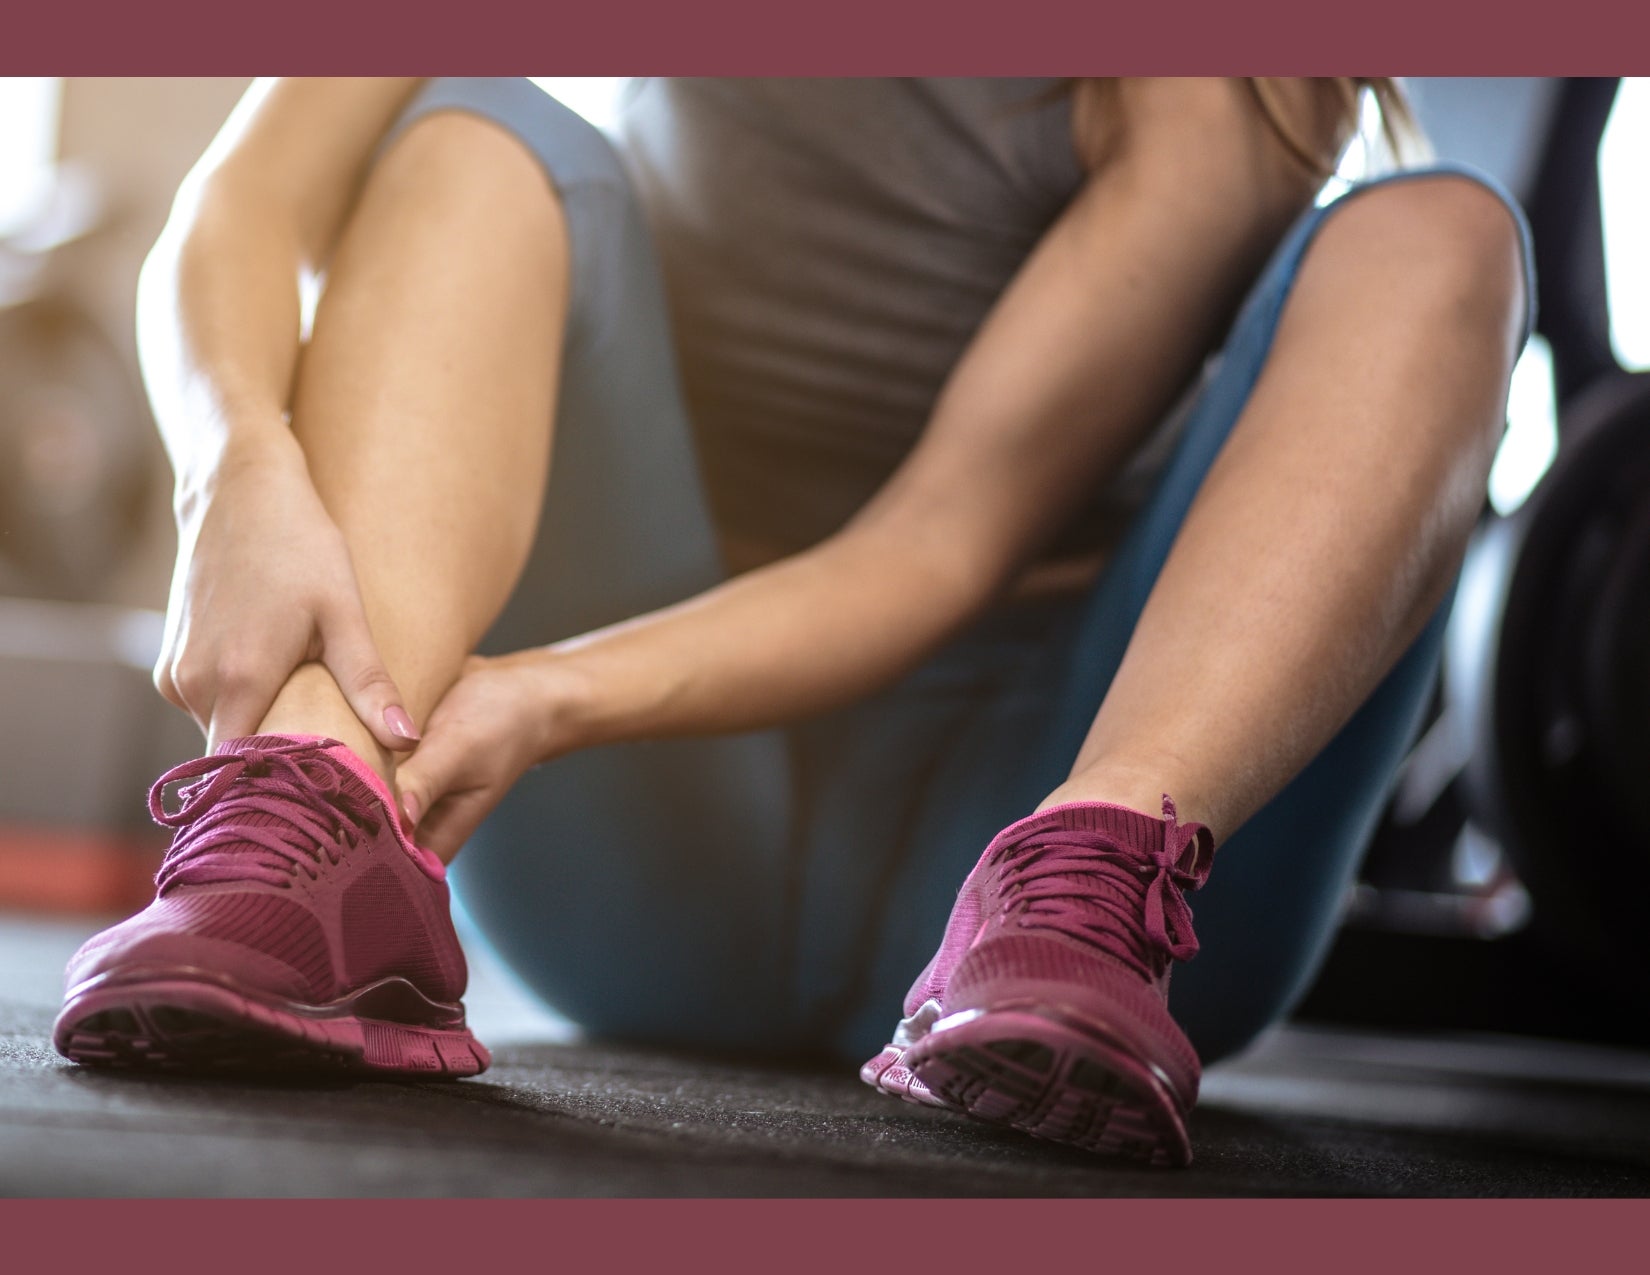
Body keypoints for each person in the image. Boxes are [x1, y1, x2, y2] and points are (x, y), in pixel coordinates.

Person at [53, 77, 1531, 1167]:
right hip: (652, 864)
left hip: (1056, 889)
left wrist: (551, 697)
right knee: (481, 142)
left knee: (1443, 235)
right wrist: (233, 464)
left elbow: (936, 542)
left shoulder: (1221, 89)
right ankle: (322, 815)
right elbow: (241, 204)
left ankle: (1094, 869)